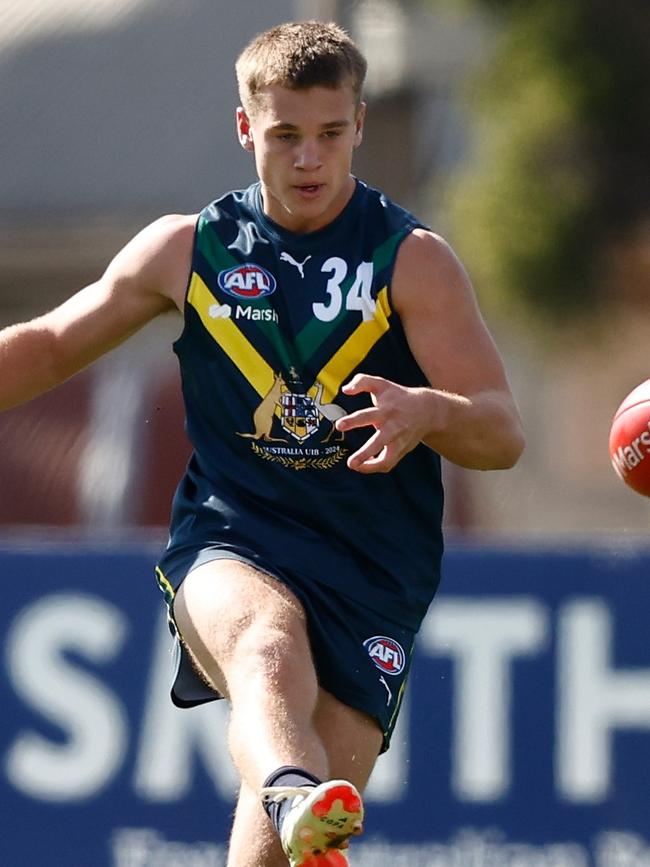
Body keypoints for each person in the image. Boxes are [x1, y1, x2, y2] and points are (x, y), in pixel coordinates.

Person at [0, 20, 525, 867]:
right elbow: (54, 343)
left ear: (358, 124)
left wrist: (428, 410)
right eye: (285, 135)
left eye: (328, 134)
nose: (309, 159)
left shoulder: (411, 262)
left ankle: (287, 803)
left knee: (285, 856)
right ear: (246, 128)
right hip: (231, 538)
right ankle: (286, 786)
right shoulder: (188, 250)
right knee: (265, 644)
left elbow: (502, 432)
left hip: (373, 574)